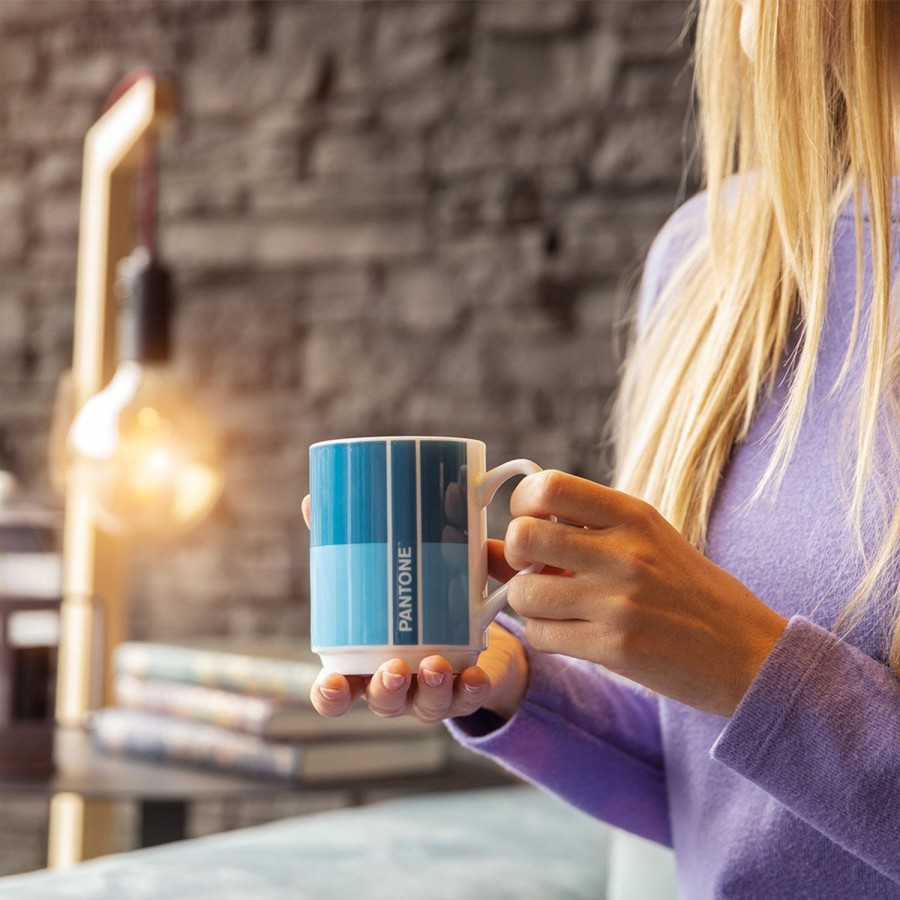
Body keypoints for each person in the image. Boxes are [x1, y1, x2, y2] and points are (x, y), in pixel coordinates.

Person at [303, 0, 900, 895]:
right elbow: (723, 803)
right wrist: (517, 687)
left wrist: (748, 664)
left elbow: (760, 705)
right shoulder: (717, 260)